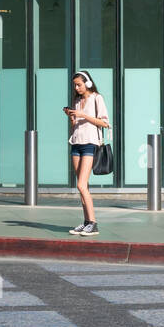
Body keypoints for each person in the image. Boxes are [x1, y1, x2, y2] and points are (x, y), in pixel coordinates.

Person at [66, 70, 110, 236]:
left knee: (81, 185)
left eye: (79, 84)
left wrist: (83, 114)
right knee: (83, 187)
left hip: (90, 144)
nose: (77, 88)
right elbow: (76, 125)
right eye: (75, 85)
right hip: (76, 143)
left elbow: (105, 123)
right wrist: (72, 117)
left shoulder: (97, 98)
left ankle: (93, 223)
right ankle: (86, 222)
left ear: (88, 83)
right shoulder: (77, 100)